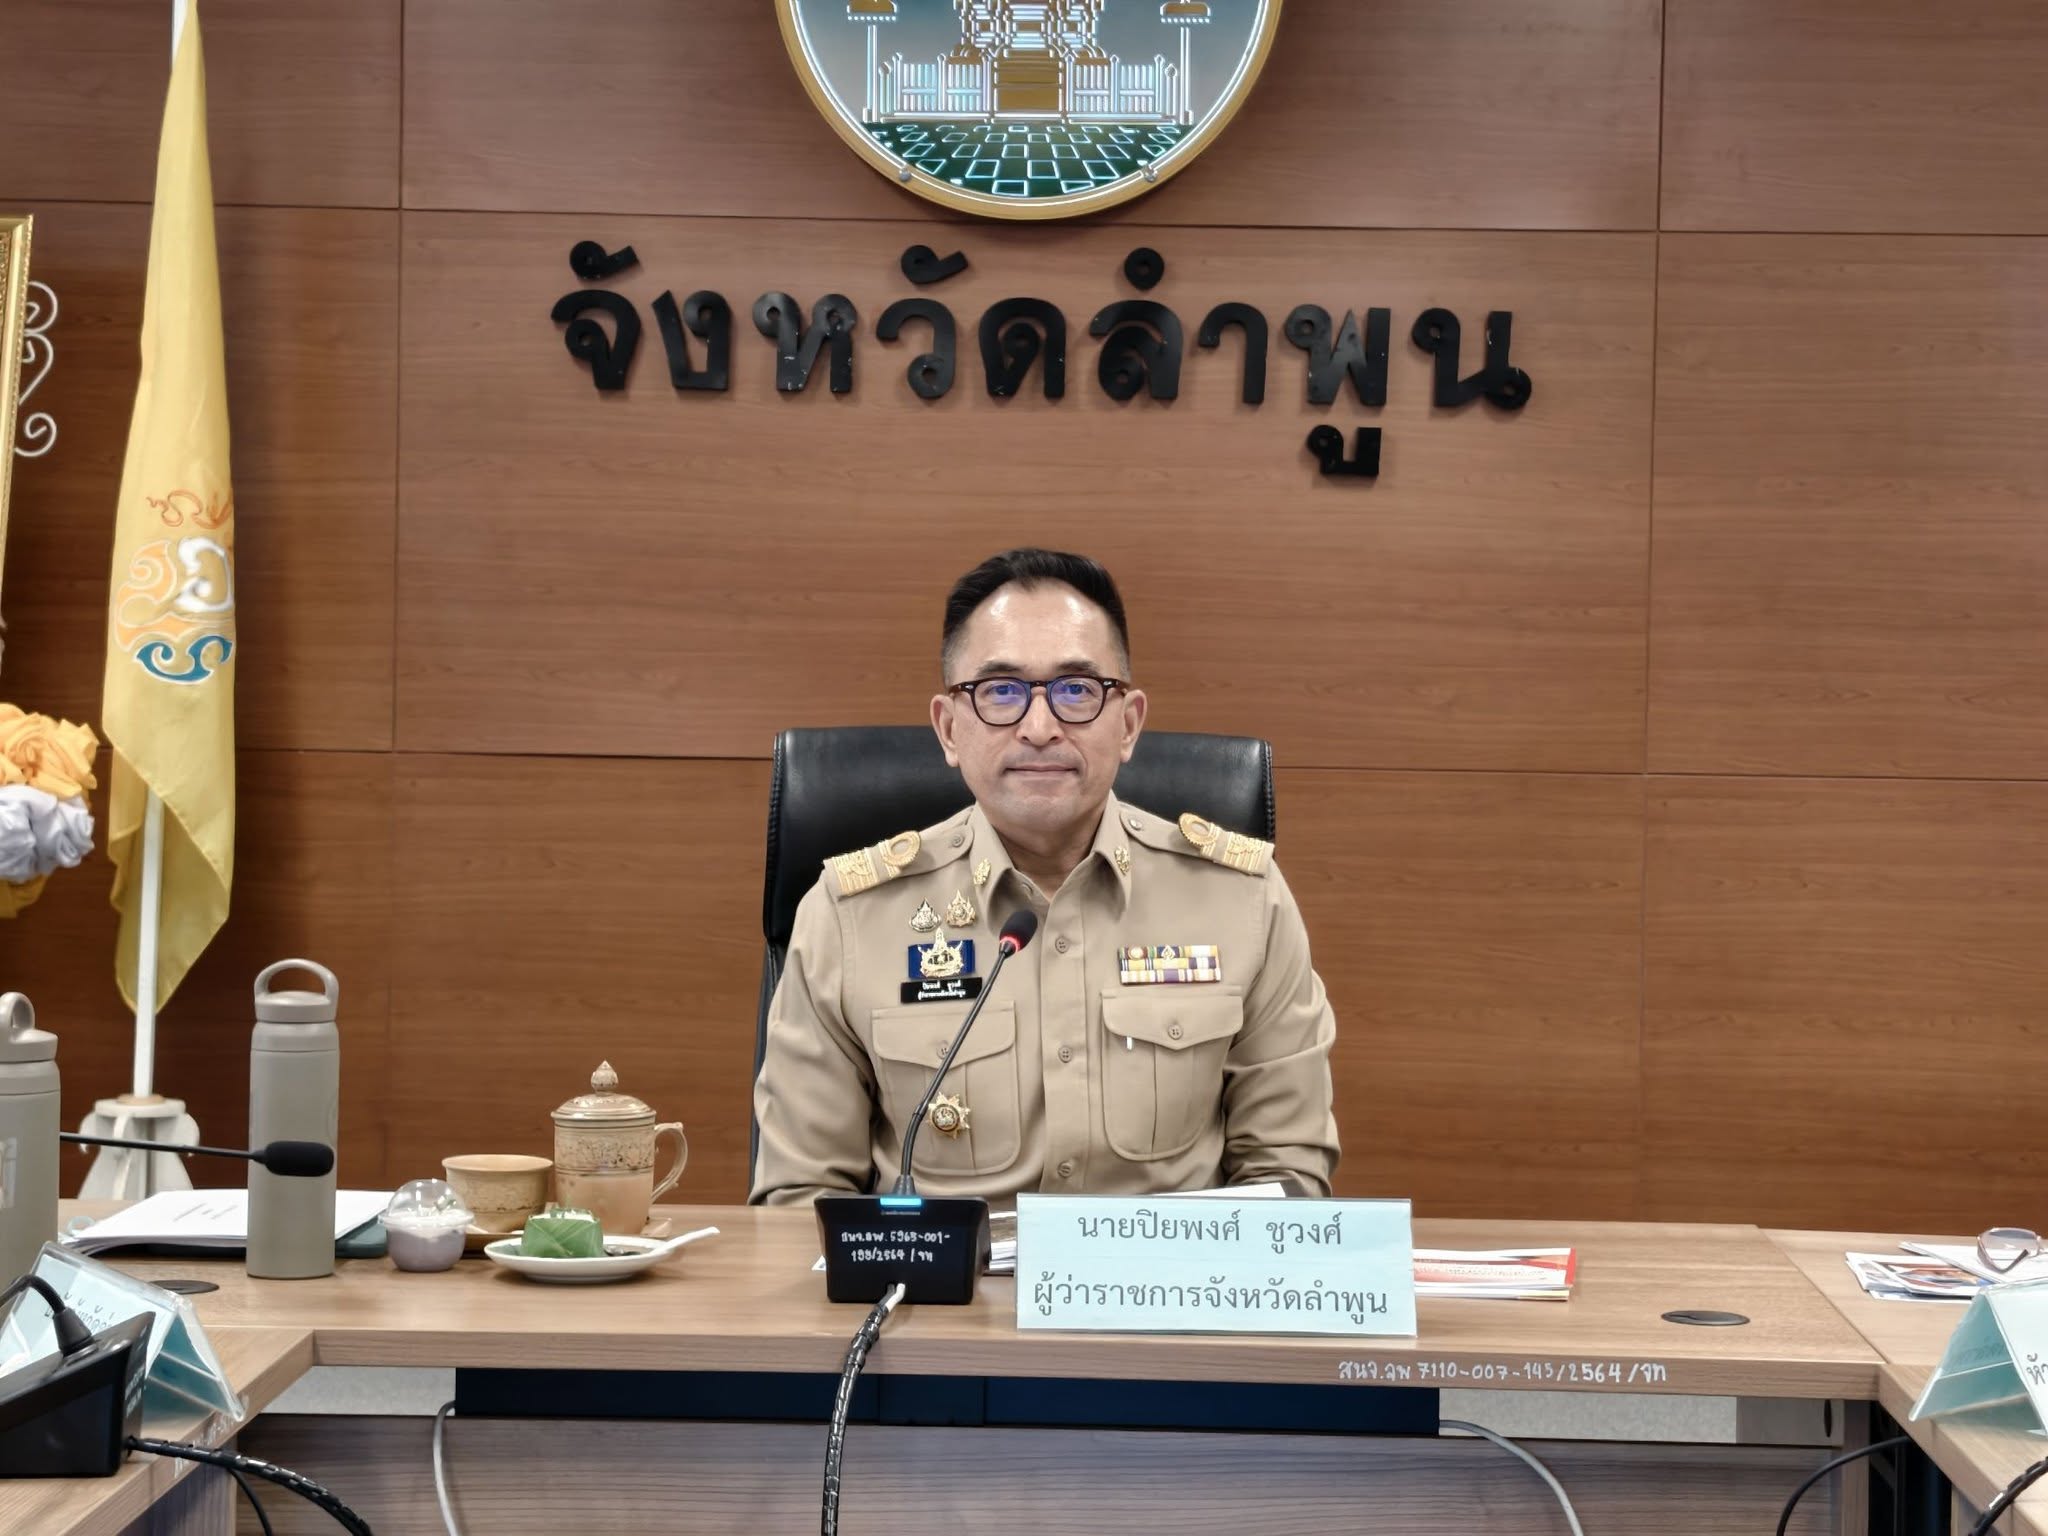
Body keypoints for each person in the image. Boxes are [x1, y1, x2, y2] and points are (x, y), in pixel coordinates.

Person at [750, 548, 1339, 1204]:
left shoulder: (1243, 902)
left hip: (1166, 1300)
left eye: (1076, 691)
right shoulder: (847, 916)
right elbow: (801, 1201)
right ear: (948, 728)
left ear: (1129, 724)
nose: (1038, 728)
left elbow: (1285, 1179)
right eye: (1000, 690)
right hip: (937, 1301)